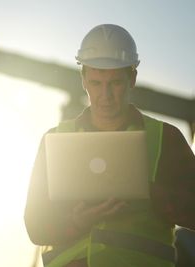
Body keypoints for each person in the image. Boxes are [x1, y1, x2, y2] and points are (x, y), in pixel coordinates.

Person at [24, 24, 195, 267]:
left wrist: (150, 194)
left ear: (132, 79)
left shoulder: (165, 138)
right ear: (83, 80)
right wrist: (77, 221)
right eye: (96, 83)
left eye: (114, 83)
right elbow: (35, 227)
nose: (105, 95)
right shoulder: (55, 141)